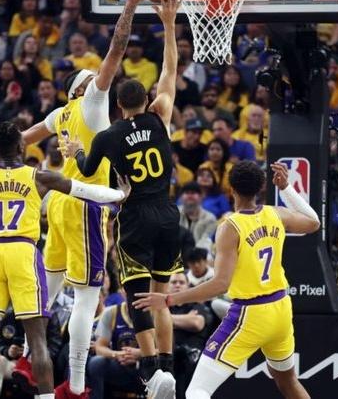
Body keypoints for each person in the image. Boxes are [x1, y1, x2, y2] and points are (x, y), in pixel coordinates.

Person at [15, 0, 146, 399]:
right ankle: (77, 384)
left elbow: (21, 140)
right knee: (89, 297)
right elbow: (116, 49)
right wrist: (130, 3)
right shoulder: (91, 104)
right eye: (92, 79)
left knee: (48, 293)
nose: (100, 79)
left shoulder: (59, 115)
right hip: (86, 203)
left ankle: (21, 355)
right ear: (82, 89)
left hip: (57, 204)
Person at [0, 121, 131, 399]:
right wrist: (119, 195)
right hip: (22, 251)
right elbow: (85, 190)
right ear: (20, 146)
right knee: (37, 338)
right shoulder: (37, 176)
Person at [61, 0, 180, 397]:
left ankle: (151, 371)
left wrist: (74, 150)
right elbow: (170, 69)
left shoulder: (110, 135)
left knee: (138, 297)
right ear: (145, 101)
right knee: (161, 298)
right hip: (168, 212)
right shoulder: (160, 114)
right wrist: (167, 24)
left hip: (134, 218)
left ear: (117, 105)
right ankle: (168, 365)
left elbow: (88, 162)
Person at [133, 161, 321, 399]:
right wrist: (286, 188)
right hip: (281, 308)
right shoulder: (275, 213)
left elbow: (220, 284)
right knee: (288, 382)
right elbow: (314, 222)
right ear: (262, 188)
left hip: (250, 314)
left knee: (197, 391)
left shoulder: (230, 226)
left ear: (230, 188)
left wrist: (170, 298)